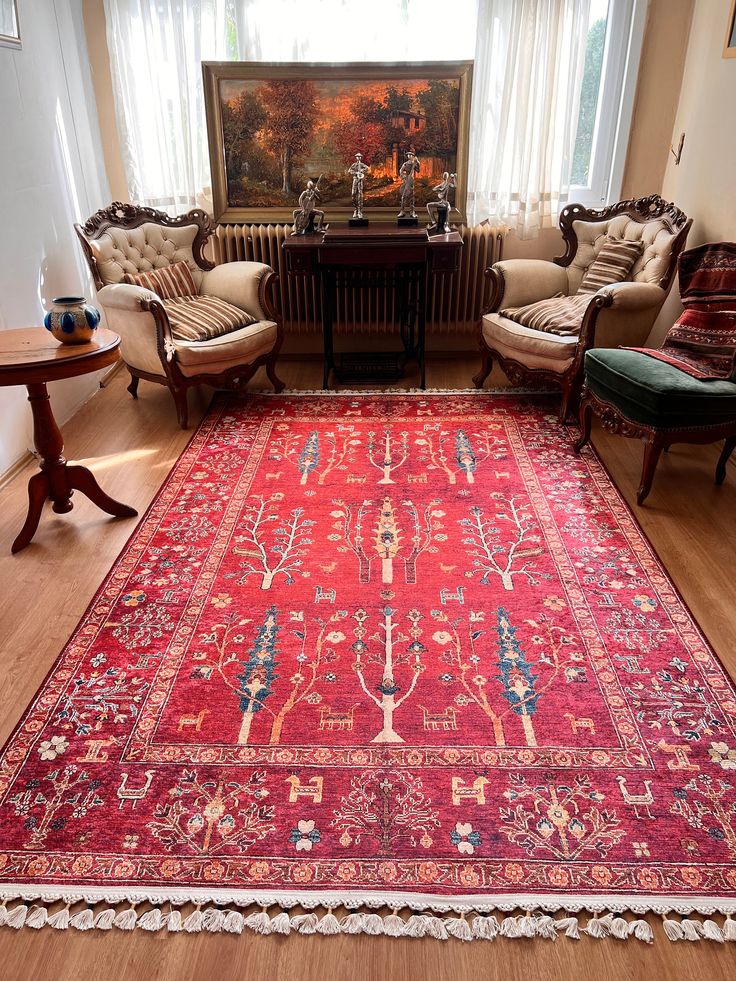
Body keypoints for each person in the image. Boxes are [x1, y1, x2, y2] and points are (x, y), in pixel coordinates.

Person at [397, 151, 420, 219]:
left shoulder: (414, 163)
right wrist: (403, 177)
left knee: (411, 196)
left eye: (410, 155)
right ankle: (402, 211)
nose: (409, 156)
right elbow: (401, 170)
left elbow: (418, 170)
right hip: (406, 179)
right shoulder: (405, 164)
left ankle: (412, 211)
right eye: (408, 155)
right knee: (403, 196)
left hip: (411, 180)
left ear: (412, 156)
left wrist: (418, 163)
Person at [347, 152, 370, 219]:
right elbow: (349, 170)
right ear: (356, 157)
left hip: (360, 180)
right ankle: (355, 209)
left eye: (360, 156)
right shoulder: (354, 165)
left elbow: (367, 168)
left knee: (360, 195)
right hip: (355, 179)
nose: (358, 157)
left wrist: (362, 170)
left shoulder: (362, 165)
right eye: (357, 156)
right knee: (353, 194)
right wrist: (356, 172)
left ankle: (360, 211)